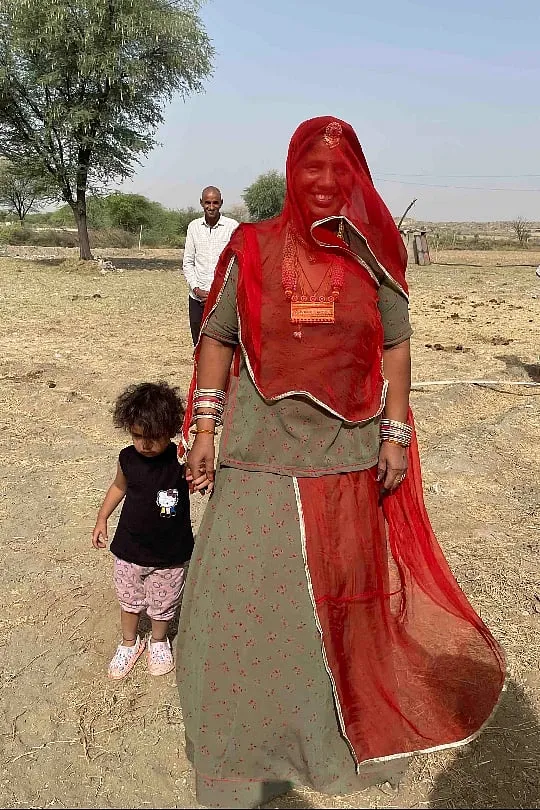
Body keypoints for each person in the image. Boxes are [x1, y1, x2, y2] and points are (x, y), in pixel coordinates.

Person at [177, 117, 505, 809]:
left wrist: (396, 431)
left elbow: (396, 345)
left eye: (339, 172)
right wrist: (204, 428)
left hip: (349, 454)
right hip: (262, 453)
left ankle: (334, 742)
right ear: (292, 178)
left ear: (354, 181)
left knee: (342, 604)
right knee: (235, 604)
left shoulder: (374, 255)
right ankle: (241, 751)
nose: (325, 184)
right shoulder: (255, 247)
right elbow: (217, 337)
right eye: (311, 171)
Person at [92, 381, 194, 680]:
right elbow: (118, 487)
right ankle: (129, 642)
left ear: (171, 430)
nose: (145, 444)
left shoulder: (180, 459)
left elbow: (200, 477)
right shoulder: (127, 458)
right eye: (138, 436)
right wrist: (102, 518)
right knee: (129, 599)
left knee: (163, 603)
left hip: (169, 552)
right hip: (129, 548)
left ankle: (158, 641)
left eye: (153, 437)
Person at [182, 186, 238, 345]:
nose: (211, 207)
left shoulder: (232, 227)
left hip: (223, 298)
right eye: (207, 202)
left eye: (215, 202)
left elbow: (235, 263)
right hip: (197, 298)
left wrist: (218, 292)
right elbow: (188, 262)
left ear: (221, 203)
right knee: (198, 343)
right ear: (201, 203)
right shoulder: (193, 227)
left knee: (223, 345)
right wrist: (196, 289)